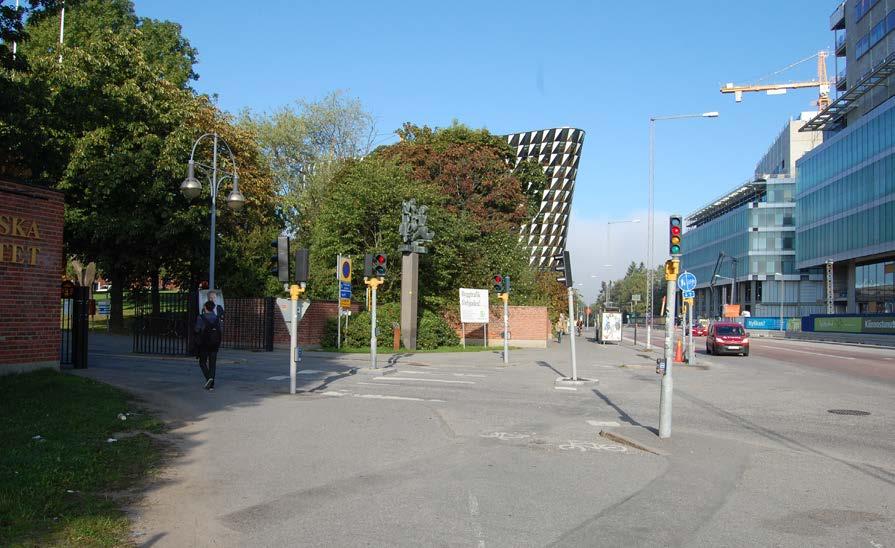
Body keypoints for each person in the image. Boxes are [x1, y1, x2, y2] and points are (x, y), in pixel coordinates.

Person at [195, 300, 222, 391]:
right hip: (215, 343)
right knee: (212, 364)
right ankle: (211, 385)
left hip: (204, 343)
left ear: (205, 307)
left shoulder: (201, 317)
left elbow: (197, 329)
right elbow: (220, 330)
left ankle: (209, 379)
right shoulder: (217, 318)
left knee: (202, 362)